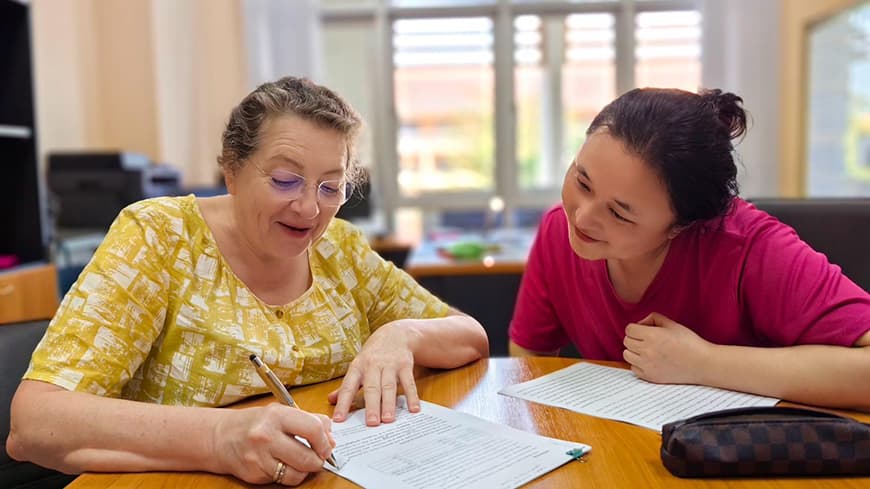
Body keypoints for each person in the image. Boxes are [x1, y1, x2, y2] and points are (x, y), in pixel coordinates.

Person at [7, 76, 489, 486]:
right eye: (285, 180)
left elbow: (471, 337)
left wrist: (402, 333)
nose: (309, 209)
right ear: (231, 170)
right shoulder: (160, 237)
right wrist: (220, 437)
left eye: (330, 187)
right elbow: (34, 422)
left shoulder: (339, 248)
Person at [508, 87, 870, 411]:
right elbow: (529, 355)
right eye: (582, 181)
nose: (582, 217)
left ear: (680, 224)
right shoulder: (560, 228)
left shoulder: (750, 247)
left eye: (619, 213)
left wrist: (705, 363)